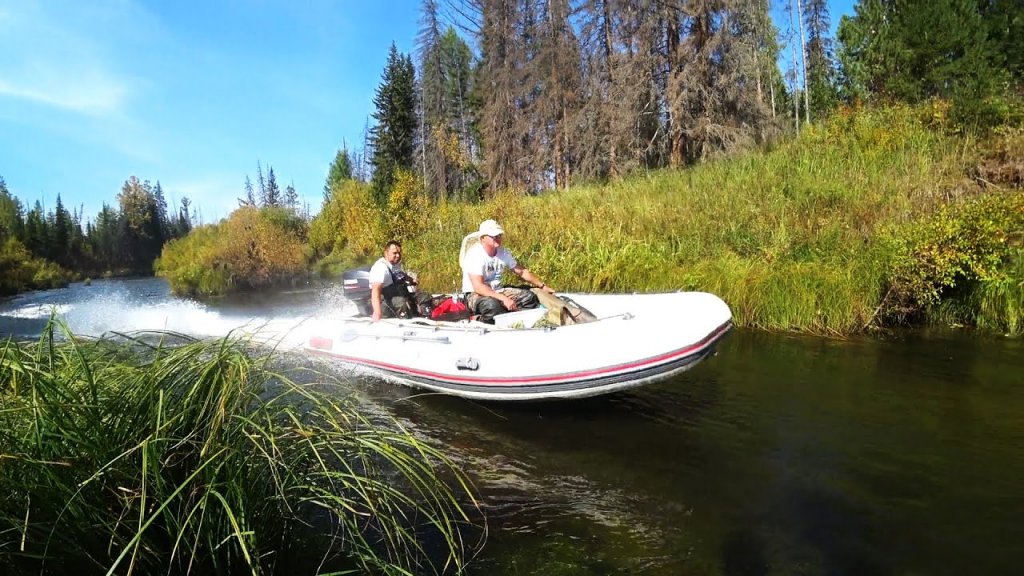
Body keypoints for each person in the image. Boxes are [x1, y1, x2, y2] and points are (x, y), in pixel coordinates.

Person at [461, 219, 556, 323]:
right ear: (483, 238)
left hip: (497, 290)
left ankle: (516, 321)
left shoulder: (503, 253)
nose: (498, 238)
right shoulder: (474, 255)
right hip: (475, 294)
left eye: (499, 236)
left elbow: (522, 271)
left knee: (528, 298)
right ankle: (477, 319)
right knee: (492, 306)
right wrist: (503, 299)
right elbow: (478, 287)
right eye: (494, 236)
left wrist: (543, 286)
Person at [369, 240, 418, 321]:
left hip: (393, 297)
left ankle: (418, 317)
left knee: (420, 297)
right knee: (402, 302)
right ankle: (407, 322)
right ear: (386, 253)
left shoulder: (394, 264)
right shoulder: (381, 268)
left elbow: (400, 274)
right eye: (394, 253)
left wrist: (412, 280)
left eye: (399, 253)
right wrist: (377, 312)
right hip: (382, 302)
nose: (398, 255)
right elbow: (375, 291)